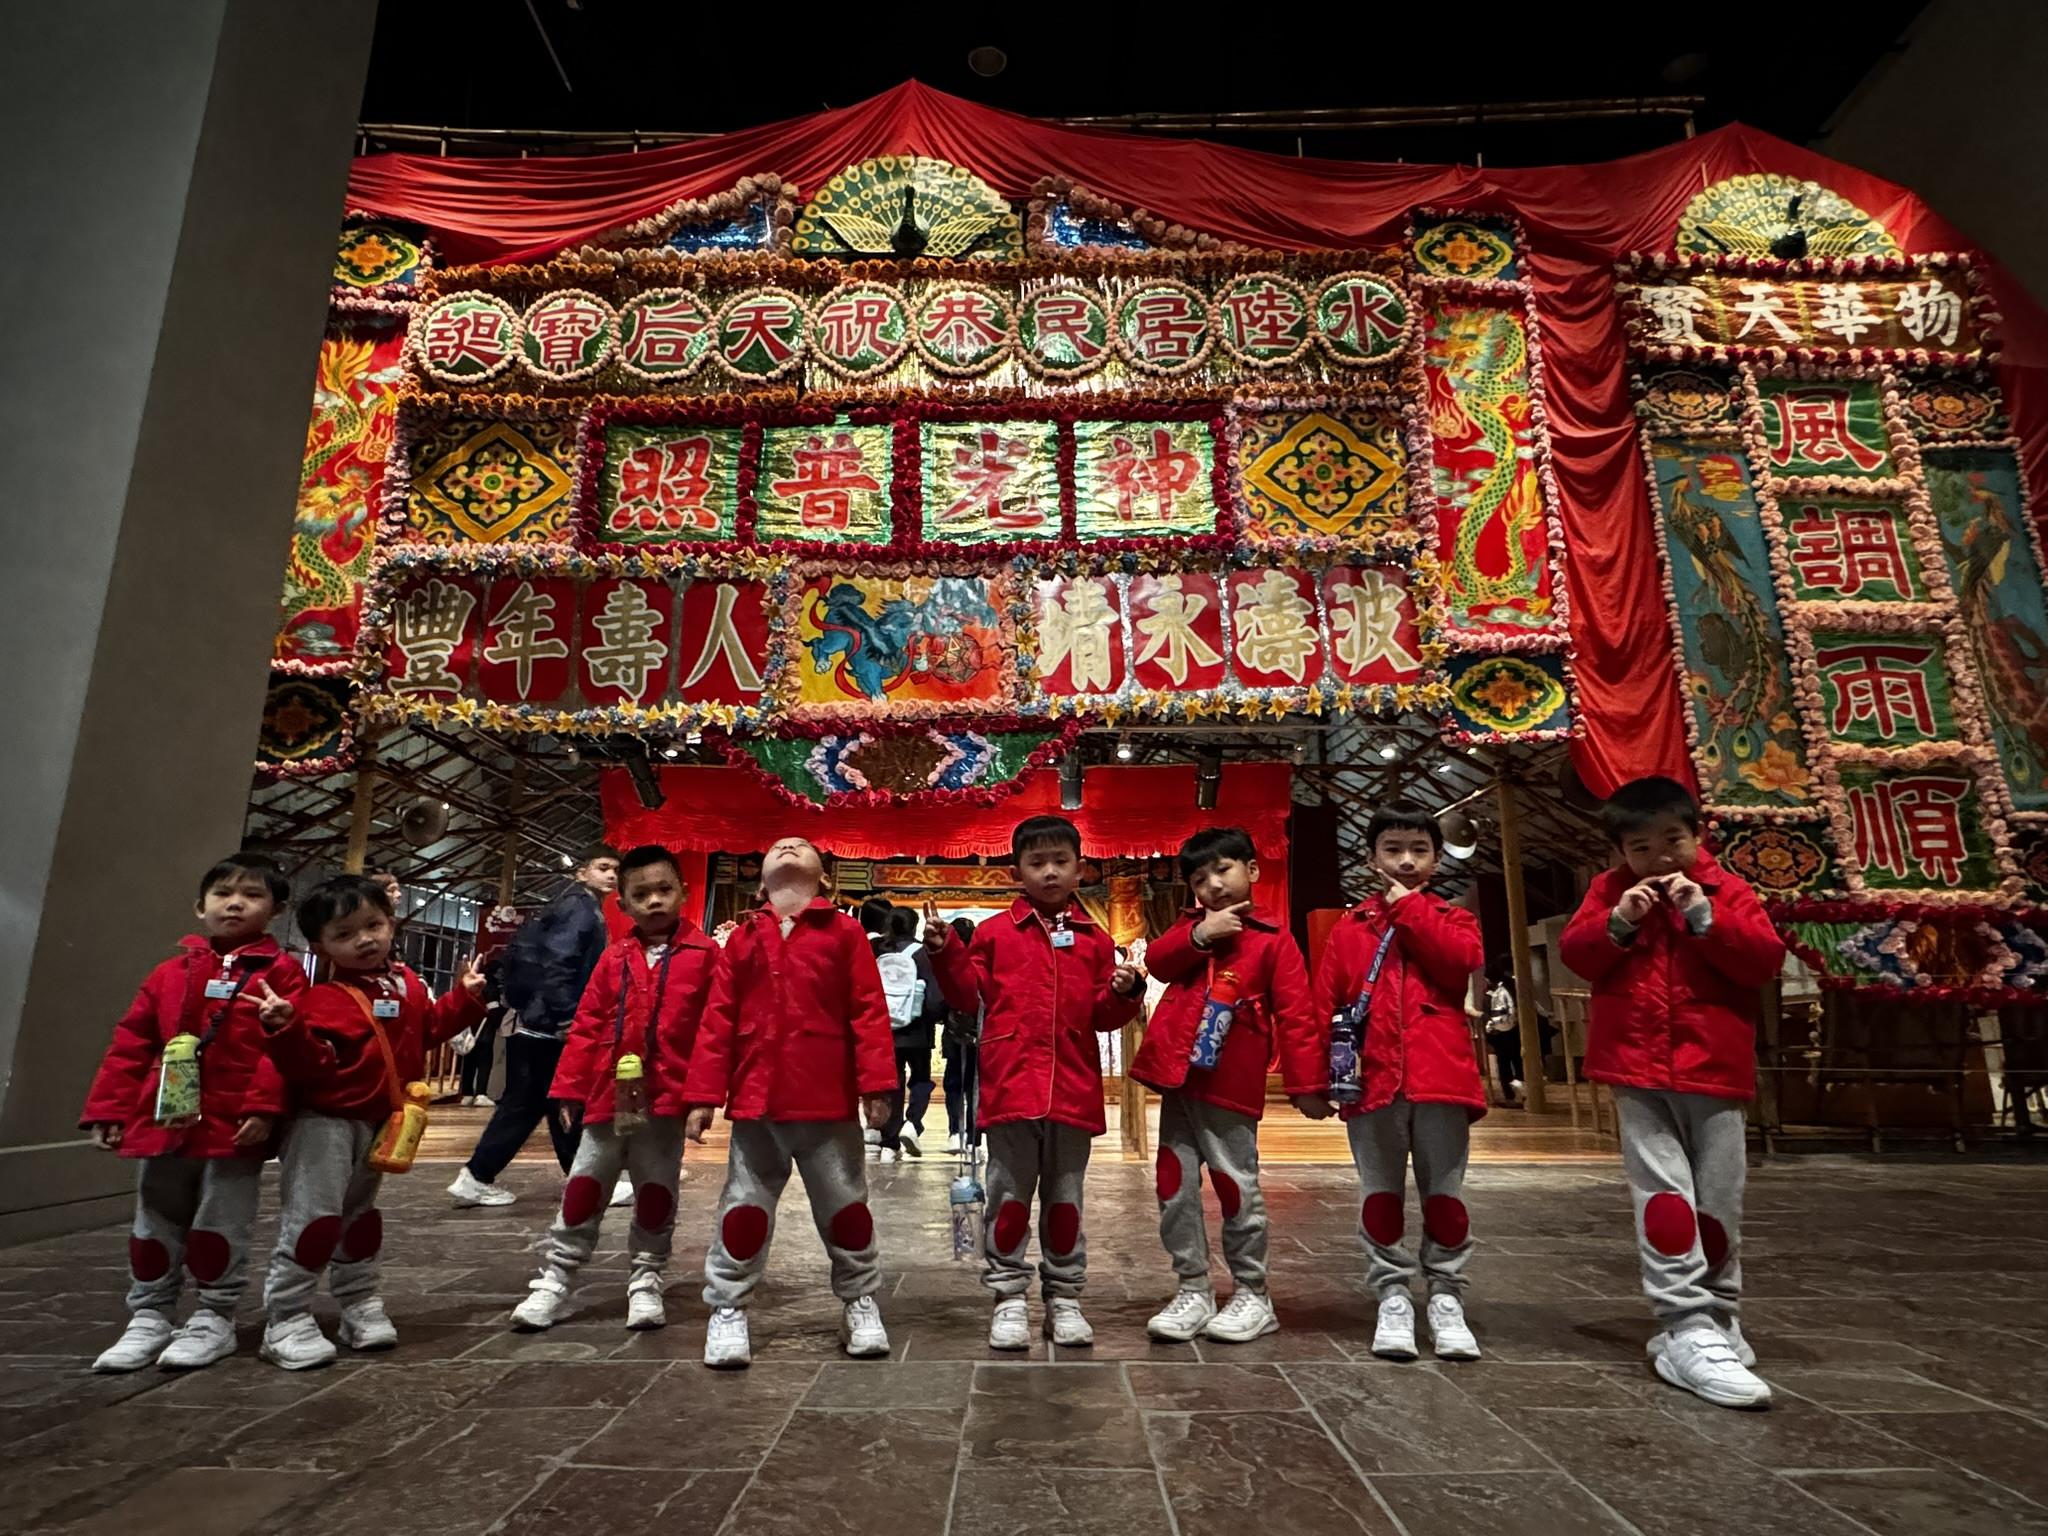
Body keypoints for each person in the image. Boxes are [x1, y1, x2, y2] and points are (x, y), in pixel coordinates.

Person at [1559, 775, 1785, 1411]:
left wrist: (1704, 917)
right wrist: (1618, 922)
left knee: (1719, 1203)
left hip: (1714, 1067)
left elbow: (1763, 962)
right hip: (1636, 1070)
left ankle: (1721, 1315)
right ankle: (1684, 1322)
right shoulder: (1608, 892)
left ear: (1697, 836)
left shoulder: (1727, 890)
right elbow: (1578, 954)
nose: (1660, 857)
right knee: (1663, 1199)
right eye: (1641, 847)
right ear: (1619, 852)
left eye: (1673, 841)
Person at [925, 815, 1144, 1350]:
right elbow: (965, 995)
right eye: (1037, 862)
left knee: (1066, 1200)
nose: (1049, 872)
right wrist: (945, 951)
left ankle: (1064, 1297)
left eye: (1060, 862)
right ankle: (1008, 1297)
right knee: (1008, 1199)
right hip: (1011, 1087)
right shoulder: (996, 935)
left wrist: (1124, 992)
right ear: (1016, 872)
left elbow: (1102, 1016)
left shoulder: (1095, 940)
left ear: (1080, 869)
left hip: (1073, 1088)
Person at [80, 853, 304, 1373]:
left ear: (275, 910)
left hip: (233, 1128)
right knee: (154, 1219)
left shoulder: (283, 974)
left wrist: (264, 1109)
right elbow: (132, 1042)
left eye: (252, 895)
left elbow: (279, 1054)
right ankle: (149, 1315)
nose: (235, 904)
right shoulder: (169, 973)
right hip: (163, 1122)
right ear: (199, 906)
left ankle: (213, 1316)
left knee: (222, 1222)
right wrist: (110, 1109)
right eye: (223, 893)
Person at [250, 875, 485, 1369]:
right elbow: (303, 1066)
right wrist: (286, 1030)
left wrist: (463, 998)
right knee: (314, 1219)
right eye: (345, 933)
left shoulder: (406, 983)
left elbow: (427, 1031)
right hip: (324, 1123)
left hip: (378, 1119)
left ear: (391, 923)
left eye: (373, 925)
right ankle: (286, 1317)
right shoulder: (322, 999)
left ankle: (358, 1302)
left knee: (359, 1218)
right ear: (321, 946)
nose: (364, 939)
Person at [683, 836, 896, 1368]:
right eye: (779, 846)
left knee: (846, 1207)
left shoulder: (845, 933)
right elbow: (717, 1019)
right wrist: (703, 1095)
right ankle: (728, 1306)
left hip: (827, 1098)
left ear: (824, 878)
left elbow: (868, 1010)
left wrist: (875, 1085)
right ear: (760, 882)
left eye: (801, 845)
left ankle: (860, 1300)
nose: (789, 847)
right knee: (744, 1208)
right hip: (757, 1101)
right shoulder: (743, 939)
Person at [511, 844, 719, 1333]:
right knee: (584, 1185)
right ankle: (556, 1278)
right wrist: (569, 1088)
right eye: (641, 894)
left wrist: (703, 1098)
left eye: (664, 890)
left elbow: (714, 1031)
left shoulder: (707, 956)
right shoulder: (613, 957)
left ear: (684, 892)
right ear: (622, 903)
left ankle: (646, 1279)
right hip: (607, 1097)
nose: (654, 901)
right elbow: (586, 1024)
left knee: (656, 1191)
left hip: (665, 1101)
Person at [1310, 804, 1486, 1364]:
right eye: (1392, 849)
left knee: (1446, 1199)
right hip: (1372, 1083)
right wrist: (1314, 1079)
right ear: (1371, 858)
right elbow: (1324, 1002)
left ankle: (1447, 1297)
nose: (1406, 861)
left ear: (1436, 860)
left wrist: (1409, 907)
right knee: (1380, 1196)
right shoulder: (1349, 928)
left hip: (1442, 1080)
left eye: (1418, 850)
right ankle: (1391, 1295)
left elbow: (1458, 961)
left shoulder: (1456, 920)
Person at [1129, 827, 1319, 1345]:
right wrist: (1200, 935)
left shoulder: (1273, 938)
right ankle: (1193, 1287)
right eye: (1199, 878)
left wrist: (1307, 1083)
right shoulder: (1191, 927)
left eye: (1223, 870)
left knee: (1236, 1186)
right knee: (1174, 1186)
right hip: (1178, 1079)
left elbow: (1298, 1015)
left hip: (1231, 1084)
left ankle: (1253, 1293)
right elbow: (1158, 962)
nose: (1213, 884)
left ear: (1252, 870)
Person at [448, 843, 619, 1208]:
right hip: (550, 1025)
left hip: (536, 1022)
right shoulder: (580, 910)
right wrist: (567, 1015)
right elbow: (558, 963)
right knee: (550, 1101)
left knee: (538, 1104)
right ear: (581, 872)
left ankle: (481, 1177)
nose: (611, 875)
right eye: (603, 867)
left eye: (615, 870)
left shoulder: (570, 905)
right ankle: (581, 1180)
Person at [875, 904, 947, 1159]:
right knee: (921, 1080)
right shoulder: (922, 953)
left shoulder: (879, 950)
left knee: (891, 1084)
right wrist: (936, 1017)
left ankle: (889, 1141)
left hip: (886, 1029)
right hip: (918, 1030)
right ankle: (912, 1123)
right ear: (914, 926)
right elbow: (935, 996)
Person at [939, 914, 980, 1152]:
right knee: (975, 1086)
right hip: (980, 1032)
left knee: (953, 1084)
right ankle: (974, 1138)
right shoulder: (980, 959)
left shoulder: (946, 960)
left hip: (953, 1031)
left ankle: (955, 1131)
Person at [1480, 958, 1524, 1107]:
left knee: (1504, 1063)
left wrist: (1489, 1027)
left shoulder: (1492, 993)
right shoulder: (1511, 986)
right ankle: (1522, 1094)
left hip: (1499, 1032)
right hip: (1514, 1029)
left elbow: (1490, 1013)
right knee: (1517, 1060)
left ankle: (1510, 1096)